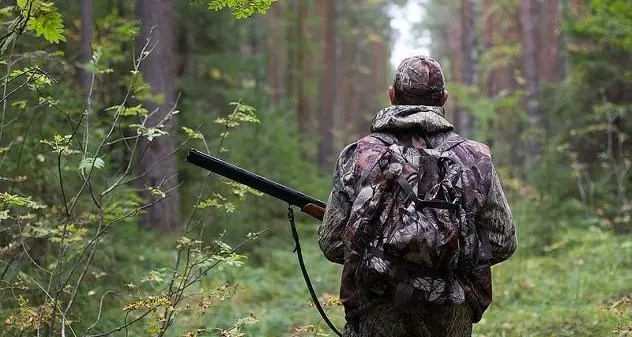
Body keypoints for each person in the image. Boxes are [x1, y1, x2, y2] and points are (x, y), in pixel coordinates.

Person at [317, 55, 517, 337]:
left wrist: (385, 260)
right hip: (452, 310)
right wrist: (446, 260)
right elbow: (503, 241)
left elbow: (331, 242)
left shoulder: (360, 155)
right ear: (444, 98)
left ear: (392, 95)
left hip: (377, 306)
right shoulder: (474, 157)